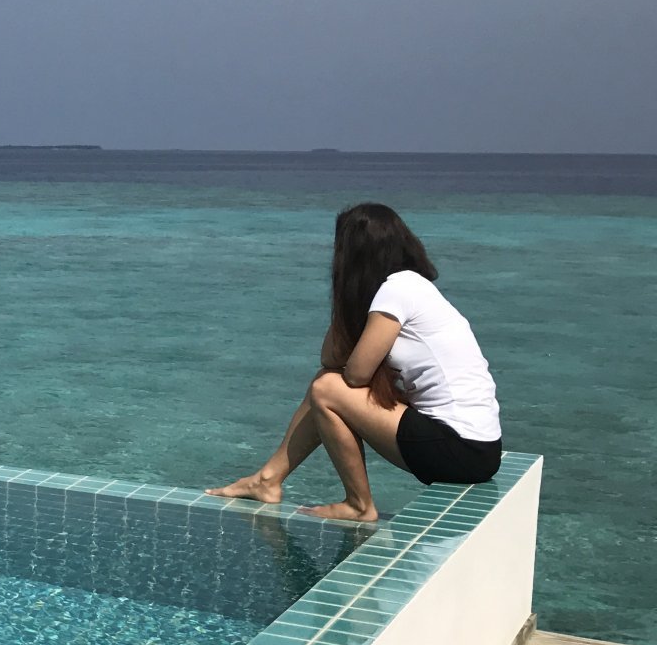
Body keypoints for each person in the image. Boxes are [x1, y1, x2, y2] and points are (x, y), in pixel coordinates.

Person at [208, 203, 503, 522]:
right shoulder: (413, 286)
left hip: (459, 449)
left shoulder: (396, 291)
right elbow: (330, 359)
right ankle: (267, 480)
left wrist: (348, 291)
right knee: (326, 382)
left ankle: (359, 505)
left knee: (327, 388)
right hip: (480, 449)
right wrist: (354, 299)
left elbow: (356, 375)